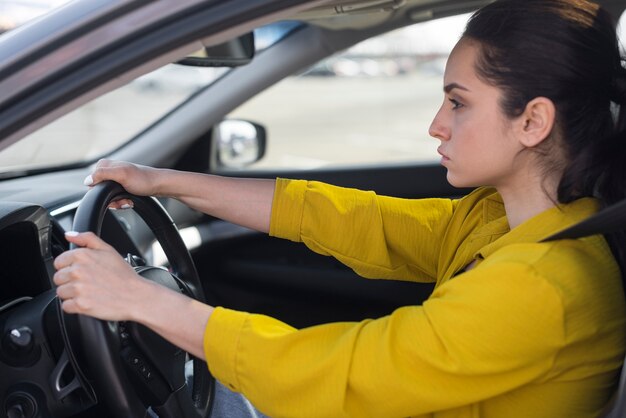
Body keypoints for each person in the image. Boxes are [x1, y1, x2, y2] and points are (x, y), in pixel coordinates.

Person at [53, 0, 626, 416]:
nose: (436, 124)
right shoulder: (503, 220)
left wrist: (137, 298)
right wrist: (165, 181)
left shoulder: (544, 283)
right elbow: (352, 220)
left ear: (532, 121)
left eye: (458, 102)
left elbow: (349, 374)